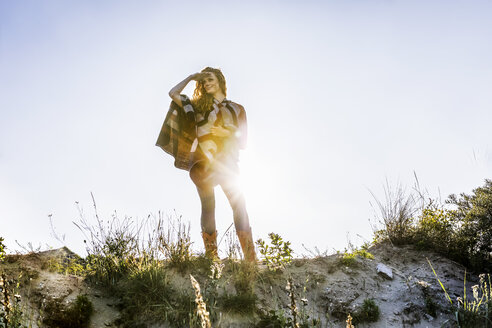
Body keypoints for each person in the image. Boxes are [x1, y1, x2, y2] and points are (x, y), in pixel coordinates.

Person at [156, 67, 256, 262]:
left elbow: (243, 141)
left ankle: (250, 259)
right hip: (203, 161)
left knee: (239, 205)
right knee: (208, 206)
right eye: (203, 82)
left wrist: (226, 133)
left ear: (220, 80)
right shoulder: (195, 106)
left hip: (227, 162)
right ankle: (212, 258)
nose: (207, 84)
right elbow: (173, 93)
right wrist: (192, 77)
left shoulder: (237, 108)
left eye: (210, 79)